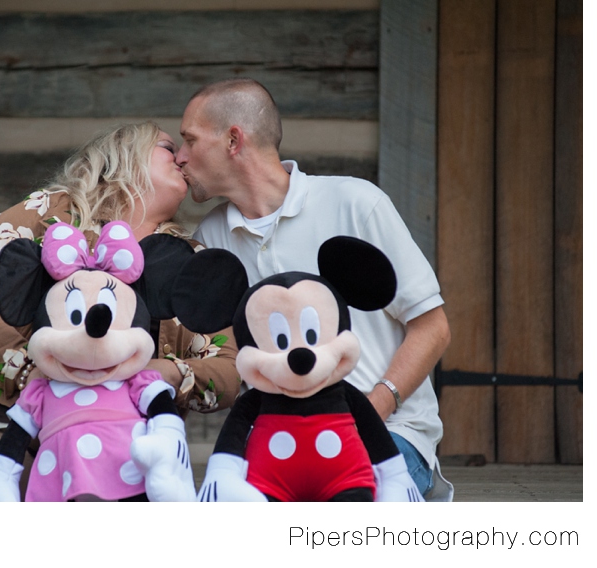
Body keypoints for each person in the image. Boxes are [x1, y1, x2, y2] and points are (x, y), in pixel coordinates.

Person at [0, 121, 240, 501]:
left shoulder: (188, 260)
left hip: (118, 447)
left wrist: (165, 373)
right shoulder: (51, 211)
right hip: (0, 423)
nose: (180, 157)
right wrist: (34, 368)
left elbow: (227, 365)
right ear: (120, 155)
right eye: (166, 146)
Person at [176, 78, 453, 501]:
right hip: (280, 444)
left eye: (189, 140)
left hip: (389, 439)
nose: (180, 157)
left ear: (233, 140)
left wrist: (370, 411)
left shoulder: (356, 203)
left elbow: (432, 328)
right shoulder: (211, 238)